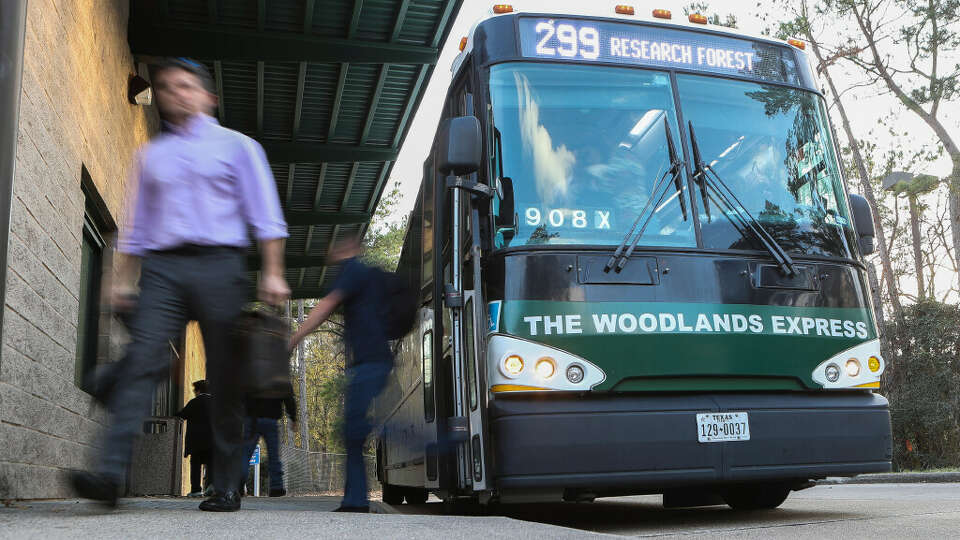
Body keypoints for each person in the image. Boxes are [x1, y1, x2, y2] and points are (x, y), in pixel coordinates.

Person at [69, 57, 290, 512]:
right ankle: (110, 476)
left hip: (220, 265)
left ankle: (226, 484)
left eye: (186, 86)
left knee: (226, 379)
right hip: (165, 270)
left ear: (209, 96)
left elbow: (266, 216)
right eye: (167, 87)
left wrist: (272, 271)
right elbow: (138, 226)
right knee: (139, 362)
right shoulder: (151, 156)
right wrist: (120, 279)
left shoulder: (238, 147)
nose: (176, 93)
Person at [288, 237, 392, 513]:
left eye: (337, 247)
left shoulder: (351, 270)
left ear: (351, 250)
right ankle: (355, 498)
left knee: (352, 431)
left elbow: (325, 305)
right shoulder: (370, 277)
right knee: (353, 430)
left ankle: (356, 500)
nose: (331, 252)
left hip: (369, 362)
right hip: (376, 360)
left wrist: (295, 337)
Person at [239, 394, 298, 497]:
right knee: (273, 455)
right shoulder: (278, 377)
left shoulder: (251, 377)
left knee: (245, 453)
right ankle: (276, 486)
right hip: (271, 417)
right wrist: (293, 417)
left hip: (251, 418)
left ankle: (238, 483)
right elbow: (288, 395)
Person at [176, 380, 215, 497]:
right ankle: (211, 486)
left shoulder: (194, 403)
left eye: (194, 390)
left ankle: (196, 490)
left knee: (196, 465)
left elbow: (182, 415)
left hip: (196, 441)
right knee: (212, 463)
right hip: (213, 440)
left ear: (198, 391)